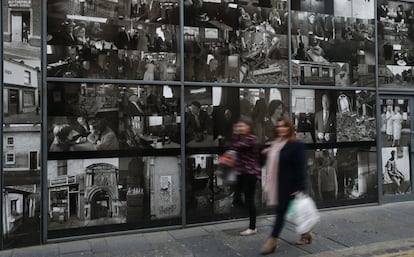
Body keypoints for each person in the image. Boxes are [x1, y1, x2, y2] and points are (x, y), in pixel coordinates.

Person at [260, 116, 309, 255]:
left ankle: (272, 241)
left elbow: (301, 168)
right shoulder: (276, 144)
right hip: (279, 185)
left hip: (291, 186)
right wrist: (267, 153)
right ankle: (306, 233)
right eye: (279, 126)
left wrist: (300, 187)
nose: (281, 129)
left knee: (281, 213)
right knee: (295, 213)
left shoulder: (296, 145)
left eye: (284, 126)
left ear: (290, 128)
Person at [230, 118, 261, 236]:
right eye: (238, 126)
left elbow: (237, 146)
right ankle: (251, 212)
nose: (240, 128)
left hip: (251, 173)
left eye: (242, 126)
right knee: (236, 198)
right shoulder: (241, 138)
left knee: (249, 199)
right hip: (241, 173)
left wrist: (235, 134)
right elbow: (234, 146)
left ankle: (252, 227)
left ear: (249, 127)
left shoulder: (252, 139)